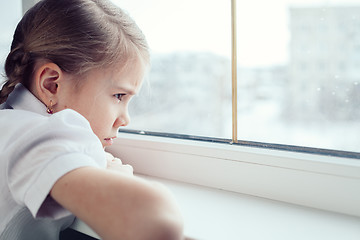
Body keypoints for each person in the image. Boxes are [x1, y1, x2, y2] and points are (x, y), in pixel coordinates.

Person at [0, 0, 184, 240]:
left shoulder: (12, 124)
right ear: (51, 84)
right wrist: (114, 179)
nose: (125, 119)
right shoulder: (32, 136)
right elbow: (159, 222)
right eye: (119, 95)